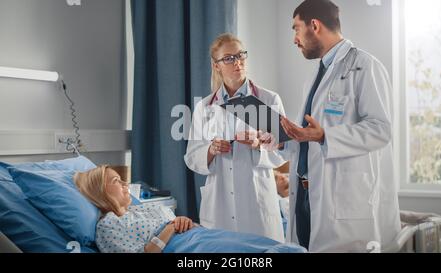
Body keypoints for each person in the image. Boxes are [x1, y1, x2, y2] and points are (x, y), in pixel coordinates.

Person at [279, 0, 401, 252]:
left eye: (296, 29)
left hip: (343, 199)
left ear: (314, 25)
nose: (294, 39)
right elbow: (310, 139)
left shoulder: (365, 67)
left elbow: (381, 129)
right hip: (306, 196)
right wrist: (285, 138)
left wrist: (325, 136)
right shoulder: (317, 75)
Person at [184, 33, 287, 242]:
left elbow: (283, 150)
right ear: (216, 65)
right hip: (218, 206)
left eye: (240, 56)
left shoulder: (267, 99)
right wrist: (210, 150)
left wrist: (259, 144)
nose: (237, 62)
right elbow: (192, 156)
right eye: (228, 58)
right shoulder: (204, 107)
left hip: (257, 203)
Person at [74, 166, 306, 253]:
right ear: (100, 191)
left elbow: (175, 222)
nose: (125, 184)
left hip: (197, 234)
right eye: (116, 181)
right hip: (181, 247)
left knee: (248, 243)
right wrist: (172, 227)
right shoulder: (108, 226)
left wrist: (181, 220)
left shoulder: (138, 210)